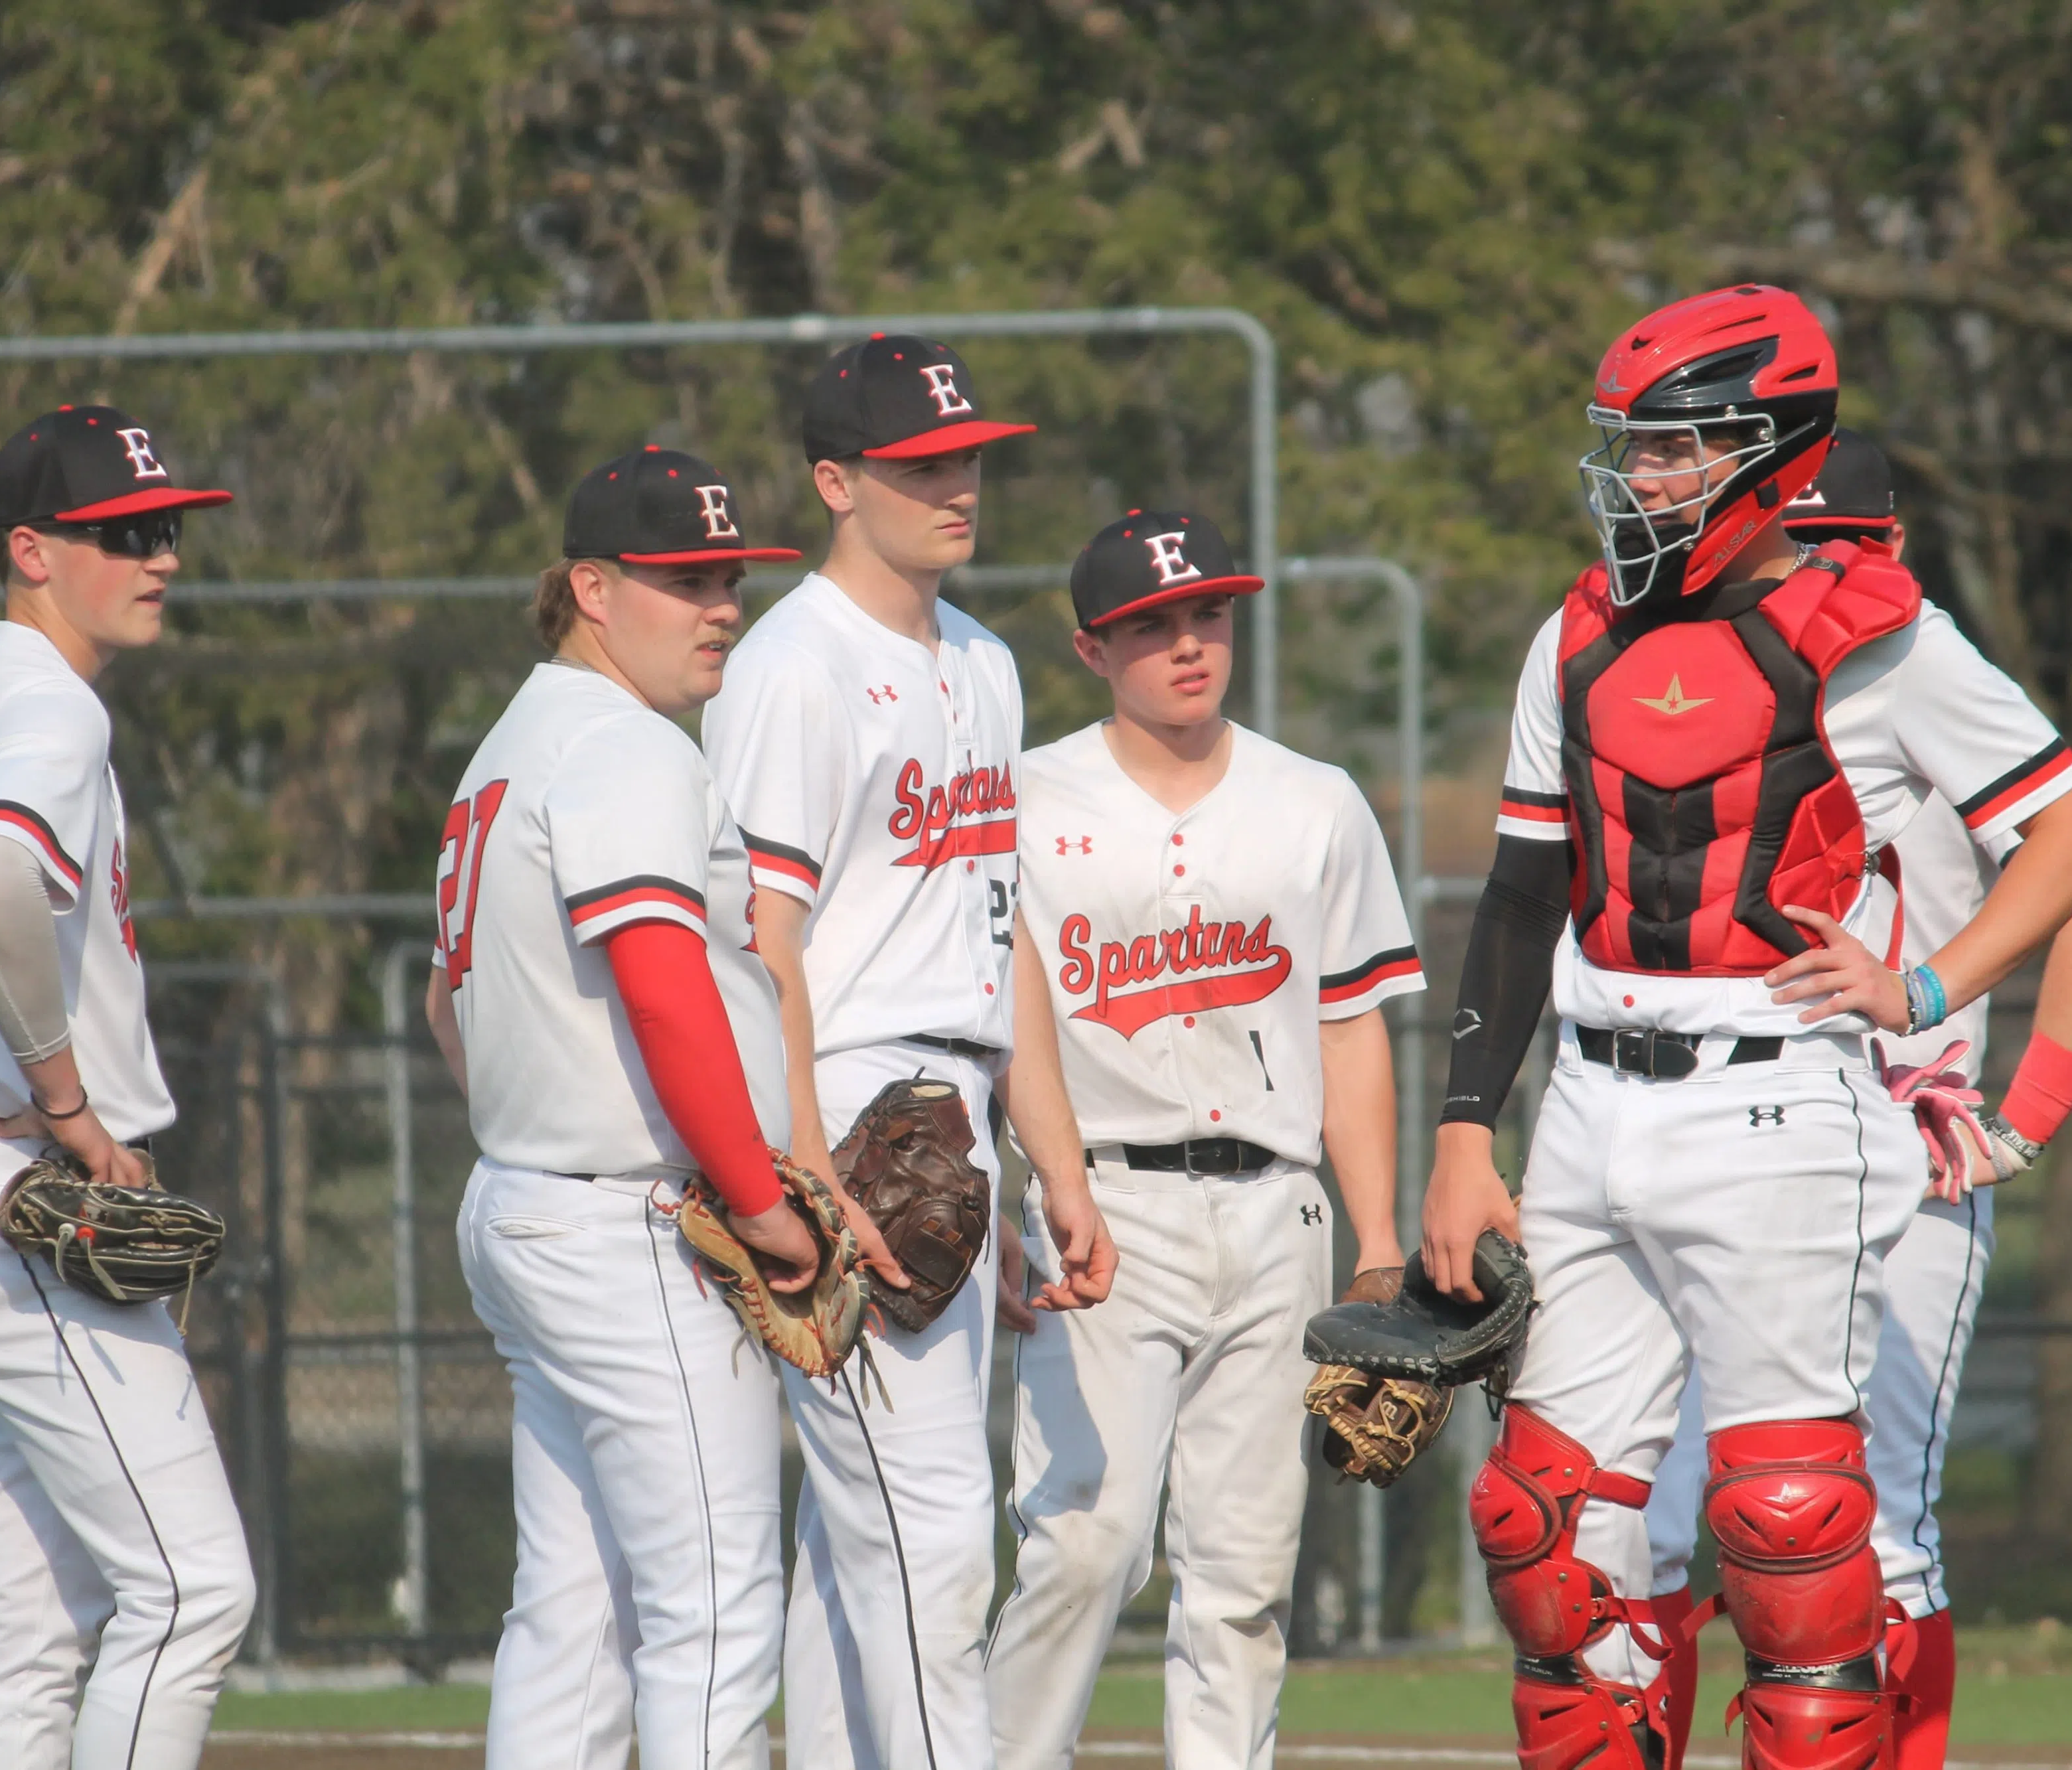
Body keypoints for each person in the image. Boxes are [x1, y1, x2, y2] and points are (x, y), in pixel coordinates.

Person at [1421, 285, 2072, 1770]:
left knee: (1789, 1535)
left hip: (1775, 1105)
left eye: (1673, 452)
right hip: (1589, 1101)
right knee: (1543, 1537)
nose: (1642, 481)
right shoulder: (1575, 629)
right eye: (1632, 451)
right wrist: (1460, 1130)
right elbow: (1513, 894)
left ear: (1765, 452)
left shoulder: (1875, 631)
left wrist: (1926, 986)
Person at [1637, 434, 2072, 1770]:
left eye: (1847, 541)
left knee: (1869, 1535)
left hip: (1895, 1154)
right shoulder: (1693, 683)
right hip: (1708, 1145)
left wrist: (2019, 1117)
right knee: (1638, 1512)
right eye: (1800, 540)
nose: (1824, 567)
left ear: (1893, 551)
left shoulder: (1923, 686)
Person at [702, 333, 1117, 1770]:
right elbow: (765, 939)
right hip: (848, 1098)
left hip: (955, 1102)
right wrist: (803, 1169)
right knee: (931, 1531)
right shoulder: (794, 666)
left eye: (969, 458)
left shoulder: (986, 662)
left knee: (855, 1541)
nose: (957, 485)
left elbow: (1001, 934)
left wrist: (1046, 1160)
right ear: (834, 481)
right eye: (918, 466)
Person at [0, 404, 255, 1770]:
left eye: (169, 528)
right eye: (124, 534)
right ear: (30, 549)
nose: (163, 556)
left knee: (29, 1619)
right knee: (192, 1588)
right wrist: (59, 1105)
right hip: (23, 1202)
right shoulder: (47, 706)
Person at [984, 510, 1424, 1770]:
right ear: (1091, 646)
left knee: (1242, 1570)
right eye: (1152, 624)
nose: (1189, 642)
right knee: (1087, 1539)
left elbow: (1352, 1033)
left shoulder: (1313, 802)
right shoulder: (1026, 797)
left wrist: (1380, 1246)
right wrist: (1024, 1191)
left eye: (1210, 614)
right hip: (1104, 1205)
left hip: (1278, 1208)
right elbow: (1000, 1030)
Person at [423, 447, 817, 1770]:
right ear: (591, 587)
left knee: (572, 1616)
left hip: (527, 1207)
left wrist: (547, 1123)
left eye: (728, 577)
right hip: (626, 1224)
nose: (718, 604)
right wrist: (759, 1204)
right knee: (711, 1609)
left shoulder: (511, 744)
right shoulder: (624, 749)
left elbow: (444, 1006)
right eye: (680, 579)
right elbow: (664, 988)